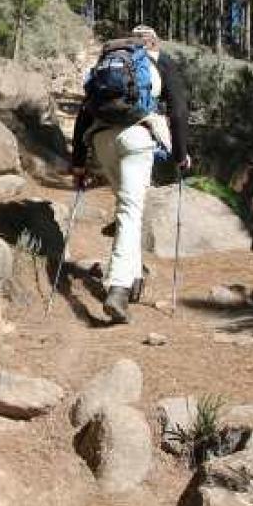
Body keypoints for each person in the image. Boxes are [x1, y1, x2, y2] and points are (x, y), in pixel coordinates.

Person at [70, 25, 190, 323]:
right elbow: (178, 111)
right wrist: (180, 154)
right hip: (137, 137)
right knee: (130, 210)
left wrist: (79, 162)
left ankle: (134, 278)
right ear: (155, 44)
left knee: (127, 208)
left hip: (102, 140)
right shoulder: (159, 63)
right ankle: (119, 288)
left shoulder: (108, 64)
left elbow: (85, 111)